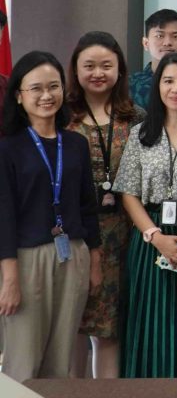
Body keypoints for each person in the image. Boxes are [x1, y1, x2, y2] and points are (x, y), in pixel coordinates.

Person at [112, 53, 177, 377]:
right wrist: (155, 237)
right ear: (158, 86)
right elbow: (128, 193)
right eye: (168, 81)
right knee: (150, 323)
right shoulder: (142, 132)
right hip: (150, 238)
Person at [0, 52, 102, 382]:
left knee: (60, 362)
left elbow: (88, 205)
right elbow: (4, 216)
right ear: (19, 96)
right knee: (23, 360)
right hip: (26, 259)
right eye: (36, 88)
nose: (47, 95)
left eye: (54, 86)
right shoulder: (8, 148)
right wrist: (9, 278)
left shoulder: (75, 143)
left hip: (73, 254)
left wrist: (95, 260)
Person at [66, 32, 145, 379]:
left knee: (108, 331)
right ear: (75, 70)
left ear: (120, 70)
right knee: (70, 329)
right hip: (72, 233)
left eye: (106, 66)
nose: (98, 73)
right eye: (89, 66)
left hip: (122, 234)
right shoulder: (62, 115)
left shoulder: (137, 117)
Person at [129, 9, 177, 111]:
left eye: (175, 36)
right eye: (159, 36)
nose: (167, 43)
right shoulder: (130, 85)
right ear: (146, 43)